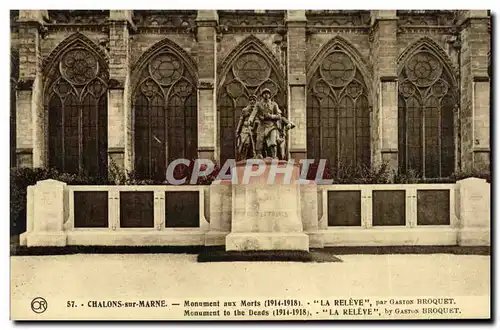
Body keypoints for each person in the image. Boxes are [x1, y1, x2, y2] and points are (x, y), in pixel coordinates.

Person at [254, 88, 282, 159]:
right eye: (264, 93)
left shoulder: (274, 104)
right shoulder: (258, 105)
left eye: (268, 93)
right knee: (259, 140)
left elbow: (279, 116)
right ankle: (259, 155)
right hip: (262, 125)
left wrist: (271, 116)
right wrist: (250, 120)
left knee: (273, 143)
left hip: (271, 126)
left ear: (270, 95)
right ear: (262, 95)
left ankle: (274, 156)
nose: (266, 95)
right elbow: (253, 113)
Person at [235, 95, 258, 160]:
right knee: (245, 144)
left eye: (254, 100)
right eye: (251, 100)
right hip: (245, 129)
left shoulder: (258, 110)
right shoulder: (245, 110)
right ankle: (243, 159)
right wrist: (237, 131)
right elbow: (241, 121)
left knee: (255, 145)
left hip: (255, 129)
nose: (252, 101)